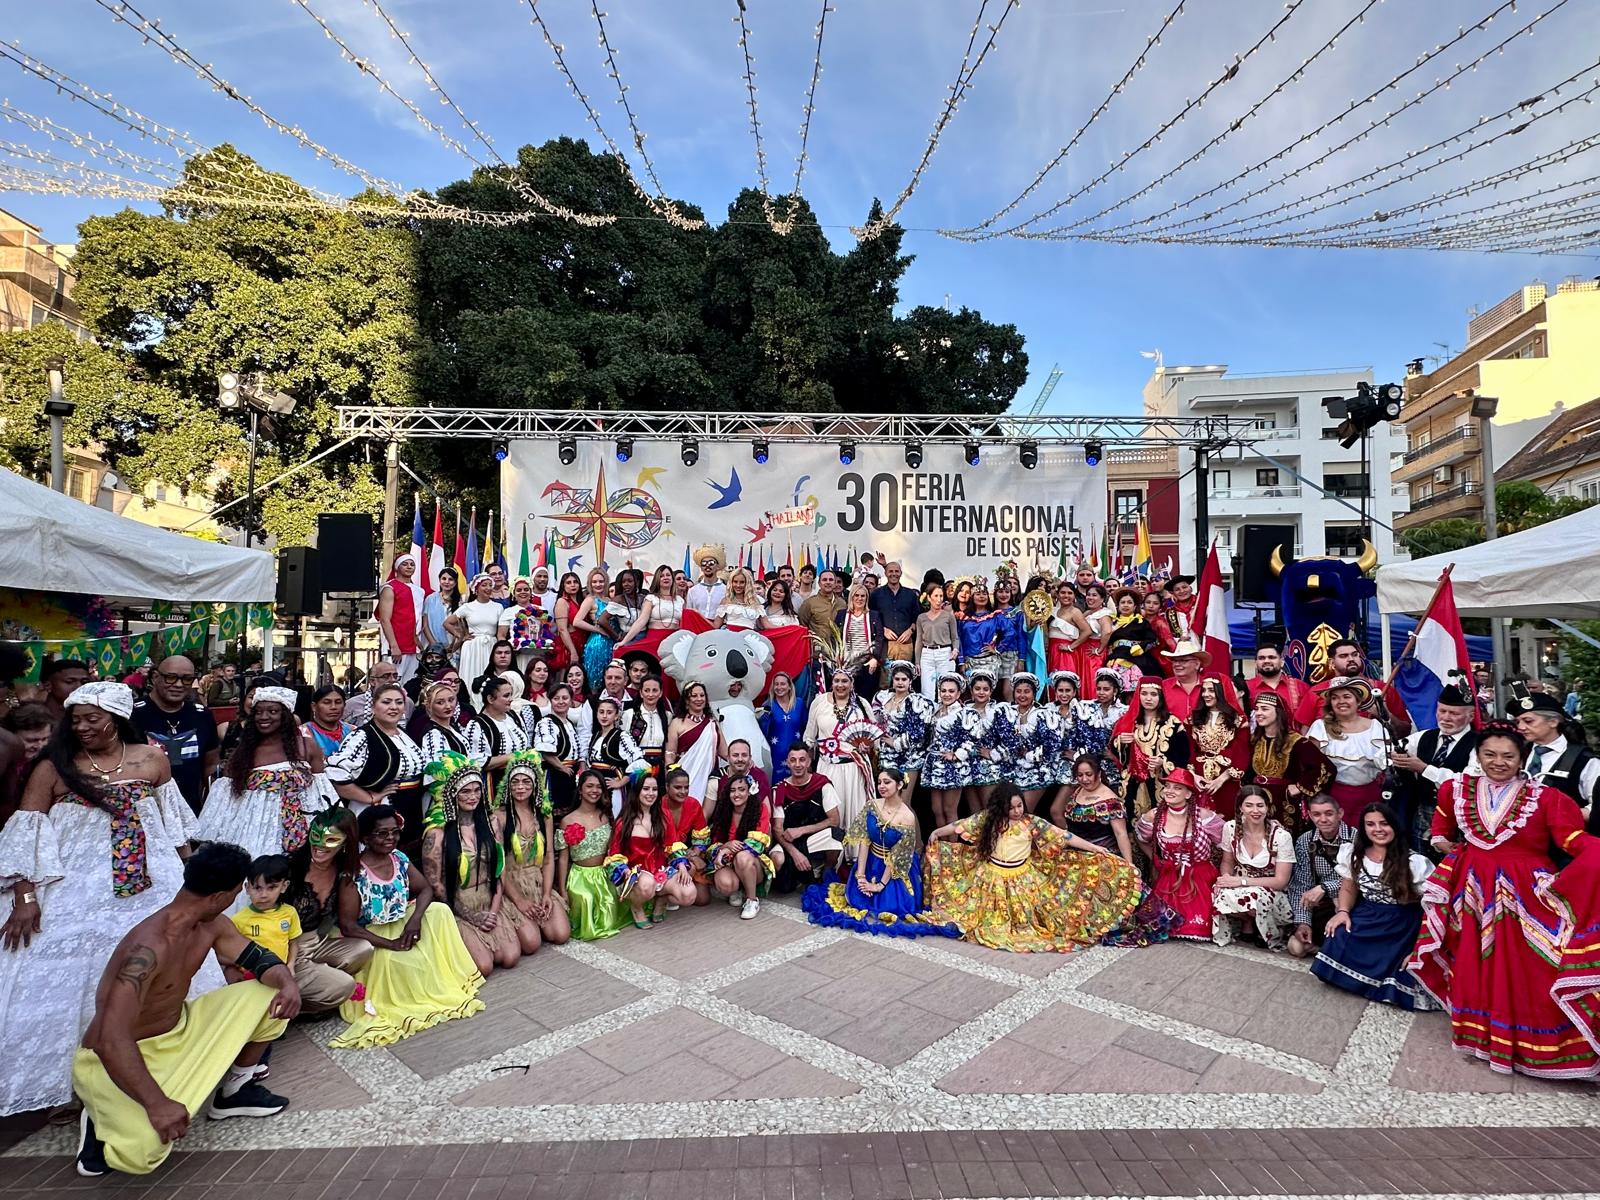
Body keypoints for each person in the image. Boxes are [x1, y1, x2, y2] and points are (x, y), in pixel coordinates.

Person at [0, 681, 216, 1118]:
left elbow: (173, 828)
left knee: (151, 970)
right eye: (75, 719)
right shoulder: (53, 768)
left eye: (91, 718)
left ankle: (156, 1067)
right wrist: (24, 897)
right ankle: (71, 1080)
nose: (81, 727)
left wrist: (192, 882)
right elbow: (27, 837)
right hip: (74, 895)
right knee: (67, 977)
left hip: (150, 889)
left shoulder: (153, 759)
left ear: (116, 720)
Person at [71, 843, 299, 1179]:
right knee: (143, 1153)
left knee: (272, 997)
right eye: (237, 892)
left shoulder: (212, 924)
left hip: (181, 1031)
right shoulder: (147, 948)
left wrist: (288, 982)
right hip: (117, 1055)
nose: (237, 898)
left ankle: (235, 1091)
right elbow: (109, 1039)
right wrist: (157, 1105)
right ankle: (97, 1115)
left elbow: (258, 959)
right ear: (220, 896)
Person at [1409, 723, 1598, 1079]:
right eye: (1490, 755)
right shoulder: (1455, 789)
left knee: (1534, 966)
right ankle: (1484, 1035)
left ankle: (1542, 1045)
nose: (1499, 762)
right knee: (1476, 963)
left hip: (1526, 895)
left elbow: (1572, 839)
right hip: (1471, 891)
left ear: (1523, 757)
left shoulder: (1546, 798)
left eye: (1509, 756)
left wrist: (1595, 852)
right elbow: (1442, 824)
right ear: (1477, 756)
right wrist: (1441, 842)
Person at [330, 803, 484, 1049]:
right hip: (371, 934)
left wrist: (414, 922)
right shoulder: (354, 873)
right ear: (366, 837)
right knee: (398, 963)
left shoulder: (399, 859)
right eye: (382, 833)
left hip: (402, 921)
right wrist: (390, 944)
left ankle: (442, 972)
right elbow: (349, 926)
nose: (390, 838)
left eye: (394, 832)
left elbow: (424, 889)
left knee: (440, 911)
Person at [926, 782, 1142, 952]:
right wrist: (937, 832)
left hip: (1024, 877)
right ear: (1000, 807)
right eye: (1011, 807)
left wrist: (1094, 848)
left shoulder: (1032, 823)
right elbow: (960, 824)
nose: (1017, 811)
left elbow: (1064, 836)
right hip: (990, 875)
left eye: (1019, 805)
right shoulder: (988, 820)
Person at [803, 767, 959, 938]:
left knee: (891, 908)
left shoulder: (907, 817)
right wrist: (861, 875)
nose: (882, 786)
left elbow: (898, 857)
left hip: (893, 869)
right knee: (855, 898)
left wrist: (879, 885)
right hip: (870, 862)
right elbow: (864, 840)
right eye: (879, 782)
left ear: (899, 785)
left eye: (887, 782)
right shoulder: (872, 805)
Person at [1312, 802, 1437, 1009]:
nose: (1377, 829)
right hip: (1369, 912)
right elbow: (1348, 887)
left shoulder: (1414, 862)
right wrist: (1343, 912)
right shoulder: (1354, 853)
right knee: (1339, 935)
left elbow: (1432, 907)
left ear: (1395, 826)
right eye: (1370, 824)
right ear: (1364, 828)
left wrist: (1420, 946)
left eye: (1384, 823)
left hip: (1402, 922)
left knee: (1399, 966)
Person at [197, 685, 332, 872]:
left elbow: (322, 793)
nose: (264, 717)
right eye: (258, 712)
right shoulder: (244, 751)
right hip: (253, 831)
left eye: (273, 711)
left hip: (301, 827)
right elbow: (226, 800)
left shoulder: (307, 746)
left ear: (285, 715)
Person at [420, 753, 531, 978]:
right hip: (459, 905)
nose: (473, 797)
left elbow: (499, 871)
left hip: (489, 900)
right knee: (484, 967)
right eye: (465, 791)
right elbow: (437, 886)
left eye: (476, 790)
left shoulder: (491, 824)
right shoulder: (437, 834)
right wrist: (471, 916)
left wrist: (492, 910)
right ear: (453, 794)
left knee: (510, 958)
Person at [284, 807, 372, 1014]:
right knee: (343, 985)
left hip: (318, 942)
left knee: (363, 949)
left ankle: (316, 986)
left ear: (345, 842)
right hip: (287, 948)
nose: (320, 845)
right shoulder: (291, 867)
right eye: (316, 836)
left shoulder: (343, 869)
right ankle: (290, 1010)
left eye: (331, 839)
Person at [325, 683, 428, 852]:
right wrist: (369, 797)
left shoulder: (403, 734)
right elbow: (335, 775)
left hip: (410, 809)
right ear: (373, 706)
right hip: (378, 811)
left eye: (399, 702)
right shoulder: (362, 736)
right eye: (386, 702)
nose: (394, 707)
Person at [1388, 682, 1481, 853]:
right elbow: (1383, 754)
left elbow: (1469, 782)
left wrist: (1424, 769)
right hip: (1423, 815)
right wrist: (1394, 757)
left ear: (1471, 715)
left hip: (1460, 820)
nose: (1445, 718)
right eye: (1442, 711)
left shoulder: (1480, 744)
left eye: (1454, 713)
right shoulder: (1424, 736)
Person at [1135, 768, 1225, 941]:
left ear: (1188, 794)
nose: (1169, 791)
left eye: (1177, 788)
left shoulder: (1203, 816)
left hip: (1200, 878)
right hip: (1169, 878)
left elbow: (1227, 843)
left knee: (1196, 926)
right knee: (1158, 925)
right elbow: (1140, 838)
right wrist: (1157, 860)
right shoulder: (1154, 816)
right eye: (1167, 786)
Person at [495, 749, 570, 946]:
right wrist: (519, 900)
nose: (521, 787)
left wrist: (546, 894)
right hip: (512, 884)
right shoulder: (499, 817)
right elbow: (499, 866)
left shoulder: (544, 814)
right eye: (515, 782)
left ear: (535, 784)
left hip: (538, 881)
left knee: (560, 935)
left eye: (526, 781)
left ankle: (539, 918)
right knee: (531, 943)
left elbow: (548, 858)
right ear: (508, 785)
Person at [130, 656, 219, 815]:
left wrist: (213, 806)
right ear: (156, 677)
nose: (178, 685)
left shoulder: (202, 715)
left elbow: (211, 766)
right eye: (170, 678)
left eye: (186, 679)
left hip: (191, 811)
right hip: (143, 812)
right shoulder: (132, 715)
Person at [605, 774, 697, 928]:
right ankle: (636, 907)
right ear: (637, 791)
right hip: (638, 876)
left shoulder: (663, 816)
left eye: (654, 789)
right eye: (646, 789)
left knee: (688, 894)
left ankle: (661, 898)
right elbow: (614, 854)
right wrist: (626, 872)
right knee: (647, 884)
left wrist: (681, 866)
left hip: (661, 872)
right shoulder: (624, 822)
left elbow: (673, 844)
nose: (651, 793)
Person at [1211, 786, 1296, 949]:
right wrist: (1226, 878)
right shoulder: (1230, 828)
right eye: (1249, 805)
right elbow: (1227, 862)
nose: (1255, 810)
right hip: (1239, 883)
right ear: (1240, 808)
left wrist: (1241, 882)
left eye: (1260, 805)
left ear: (1268, 808)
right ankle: (1248, 922)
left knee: (1255, 896)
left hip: (1271, 889)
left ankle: (1267, 929)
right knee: (1215, 893)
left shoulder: (1280, 836)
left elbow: (1281, 881)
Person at [1306, 677, 1391, 826]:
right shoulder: (1320, 727)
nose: (1341, 701)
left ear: (1358, 701)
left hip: (1370, 796)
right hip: (1332, 798)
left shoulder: (1376, 726)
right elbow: (1310, 766)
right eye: (1335, 698)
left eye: (1346, 696)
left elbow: (1387, 762)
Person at [1248, 692, 1333, 836]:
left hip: (1285, 802)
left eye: (1265, 708)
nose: (1258, 713)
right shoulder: (1255, 740)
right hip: (1258, 802)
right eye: (1257, 709)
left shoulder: (1297, 741)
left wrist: (1300, 787)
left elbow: (1325, 768)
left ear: (1278, 712)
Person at [804, 668, 876, 834]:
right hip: (826, 767)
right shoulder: (820, 702)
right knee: (830, 809)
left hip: (853, 768)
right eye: (837, 681)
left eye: (845, 681)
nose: (840, 685)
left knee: (854, 811)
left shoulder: (861, 704)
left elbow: (873, 737)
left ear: (851, 684)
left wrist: (867, 745)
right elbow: (809, 737)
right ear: (831, 682)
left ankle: (855, 854)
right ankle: (832, 854)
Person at [560, 770, 630, 939]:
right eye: (589, 786)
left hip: (604, 875)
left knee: (611, 905)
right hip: (580, 877)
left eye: (599, 787)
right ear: (580, 790)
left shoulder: (606, 816)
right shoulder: (567, 820)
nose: (594, 790)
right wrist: (562, 890)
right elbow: (563, 859)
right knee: (586, 898)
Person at [1286, 794, 1354, 959]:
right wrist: (1303, 922)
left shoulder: (1356, 838)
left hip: (1350, 902)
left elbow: (1359, 879)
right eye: (1317, 814)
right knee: (1296, 947)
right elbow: (1301, 885)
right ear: (1309, 815)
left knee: (1340, 906)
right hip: (1322, 907)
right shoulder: (1305, 841)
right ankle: (1326, 948)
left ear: (1340, 813)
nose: (1323, 819)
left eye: (1329, 813)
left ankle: (1336, 949)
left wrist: (1325, 887)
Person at [1511, 690, 1600, 816]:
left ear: (1553, 722)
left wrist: (1563, 817)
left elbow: (1596, 807)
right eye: (1518, 722)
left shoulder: (1585, 761)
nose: (1521, 727)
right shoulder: (1517, 753)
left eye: (1528, 721)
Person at [1114, 677, 1190, 821]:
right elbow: (1114, 751)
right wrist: (1121, 742)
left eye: (1153, 694)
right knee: (1131, 821)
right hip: (1132, 783)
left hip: (1161, 781)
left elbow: (1183, 754)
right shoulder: (1129, 720)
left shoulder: (1173, 723)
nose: (1148, 698)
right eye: (1144, 694)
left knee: (1162, 821)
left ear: (1161, 697)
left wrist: (1163, 762)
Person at [772, 743, 843, 892]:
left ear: (809, 762)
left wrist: (801, 830)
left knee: (836, 835)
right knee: (779, 864)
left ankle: (826, 872)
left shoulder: (822, 784)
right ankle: (798, 873)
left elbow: (834, 820)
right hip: (789, 842)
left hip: (813, 839)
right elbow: (777, 829)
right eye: (793, 760)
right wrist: (795, 853)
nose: (798, 764)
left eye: (802, 760)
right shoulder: (780, 789)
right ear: (788, 762)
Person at [706, 774, 774, 919]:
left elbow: (758, 844)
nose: (736, 794)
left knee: (743, 857)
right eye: (733, 790)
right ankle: (737, 889)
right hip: (729, 863)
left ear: (749, 791)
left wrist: (728, 850)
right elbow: (713, 843)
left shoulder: (760, 809)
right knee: (726, 884)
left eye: (742, 789)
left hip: (753, 864)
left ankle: (751, 900)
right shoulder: (723, 811)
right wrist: (724, 846)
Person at [1187, 677, 1249, 820]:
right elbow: (1190, 749)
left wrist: (1221, 779)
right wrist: (1193, 775)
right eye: (1203, 690)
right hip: (1198, 778)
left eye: (1211, 690)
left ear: (1222, 692)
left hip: (1226, 779)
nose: (1205, 694)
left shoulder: (1238, 720)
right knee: (1197, 819)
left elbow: (1242, 753)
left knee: (1226, 817)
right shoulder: (1193, 718)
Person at [997, 672, 1059, 814]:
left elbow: (1052, 744)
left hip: (1036, 770)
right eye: (1018, 692)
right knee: (1009, 813)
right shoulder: (1007, 713)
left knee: (1023, 813)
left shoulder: (1043, 714)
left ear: (1034, 693)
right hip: (1011, 770)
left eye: (1027, 692)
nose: (1022, 696)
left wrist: (1030, 755)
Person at [1055, 753, 1134, 864]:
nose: (1084, 779)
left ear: (1099, 774)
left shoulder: (1111, 802)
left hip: (1102, 859)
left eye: (1089, 774)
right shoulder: (1078, 791)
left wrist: (1129, 865)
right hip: (1074, 856)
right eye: (1080, 775)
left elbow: (1120, 834)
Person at [872, 662, 929, 797]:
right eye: (897, 679)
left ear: (910, 682)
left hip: (909, 757)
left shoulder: (916, 701)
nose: (900, 683)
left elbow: (918, 732)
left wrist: (896, 742)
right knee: (890, 799)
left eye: (904, 679)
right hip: (888, 756)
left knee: (904, 801)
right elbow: (875, 723)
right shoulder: (883, 698)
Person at [588, 696, 649, 816]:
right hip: (594, 786)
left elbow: (641, 764)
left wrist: (621, 782)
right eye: (601, 712)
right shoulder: (595, 735)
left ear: (616, 716)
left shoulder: (622, 736)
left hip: (612, 788)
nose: (604, 716)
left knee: (612, 819)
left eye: (609, 712)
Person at [446, 573, 506, 693]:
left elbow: (501, 631)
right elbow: (447, 623)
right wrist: (461, 636)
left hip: (490, 645)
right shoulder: (468, 607)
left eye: (490, 585)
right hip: (473, 646)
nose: (488, 588)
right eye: (484, 585)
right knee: (471, 674)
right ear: (476, 589)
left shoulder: (498, 607)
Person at [924, 674, 970, 830]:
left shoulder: (962, 713)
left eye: (951, 691)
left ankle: (952, 850)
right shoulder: (937, 710)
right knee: (937, 810)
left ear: (958, 694)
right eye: (943, 691)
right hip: (935, 764)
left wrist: (957, 755)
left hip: (953, 766)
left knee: (949, 810)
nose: (947, 694)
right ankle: (941, 848)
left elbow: (971, 739)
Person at [376, 553, 425, 684]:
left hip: (413, 646)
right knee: (392, 684)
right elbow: (385, 619)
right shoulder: (389, 588)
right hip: (397, 646)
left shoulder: (420, 591)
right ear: (397, 567)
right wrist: (393, 645)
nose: (409, 567)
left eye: (412, 564)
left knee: (410, 685)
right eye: (405, 564)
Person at [870, 560, 921, 684]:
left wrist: (911, 630)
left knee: (904, 678)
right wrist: (883, 629)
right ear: (886, 573)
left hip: (906, 643)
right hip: (886, 644)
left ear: (901, 573)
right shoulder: (876, 594)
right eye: (890, 571)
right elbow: (871, 617)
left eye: (896, 571)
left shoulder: (911, 595)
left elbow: (917, 617)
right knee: (886, 679)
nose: (894, 574)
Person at [1246, 643, 1311, 731]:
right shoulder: (1247, 687)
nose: (1266, 661)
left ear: (1282, 662)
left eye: (1272, 657)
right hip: (1258, 743)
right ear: (1256, 663)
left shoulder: (1300, 687)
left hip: (1294, 741)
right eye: (1261, 658)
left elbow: (1309, 719)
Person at [1103, 589, 1164, 680]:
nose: (1126, 605)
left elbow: (1152, 640)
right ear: (1118, 606)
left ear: (1135, 606)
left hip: (1135, 658)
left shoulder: (1141, 621)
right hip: (1114, 658)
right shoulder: (1112, 622)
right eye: (1123, 602)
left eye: (1129, 602)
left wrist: (1141, 647)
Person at [498, 577, 555, 673]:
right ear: (514, 594)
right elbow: (501, 636)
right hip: (518, 655)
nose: (523, 592)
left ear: (531, 592)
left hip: (538, 654)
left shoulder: (541, 610)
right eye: (519, 590)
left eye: (526, 589)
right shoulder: (508, 611)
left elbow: (546, 632)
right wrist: (510, 651)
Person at [913, 582, 960, 700]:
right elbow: (919, 640)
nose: (939, 599)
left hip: (944, 652)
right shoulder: (921, 618)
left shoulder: (948, 616)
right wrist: (917, 661)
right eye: (936, 596)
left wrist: (955, 649)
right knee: (926, 689)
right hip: (927, 653)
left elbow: (955, 636)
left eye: (941, 596)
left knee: (944, 688)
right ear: (929, 597)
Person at [759, 671, 807, 784]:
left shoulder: (799, 704)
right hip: (775, 755)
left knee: (797, 786)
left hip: (796, 755)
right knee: (777, 787)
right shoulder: (767, 705)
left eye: (782, 684)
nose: (779, 687)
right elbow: (762, 733)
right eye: (776, 684)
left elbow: (806, 729)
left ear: (789, 686)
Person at [342, 660, 413, 729]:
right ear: (372, 681)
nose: (392, 680)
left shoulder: (407, 703)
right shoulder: (353, 704)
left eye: (395, 676)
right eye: (386, 676)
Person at [1046, 581, 1093, 676]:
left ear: (1074, 596)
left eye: (1070, 593)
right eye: (1063, 592)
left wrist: (1070, 647)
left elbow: (1087, 631)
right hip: (1052, 651)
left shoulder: (1075, 612)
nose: (1066, 595)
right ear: (1058, 595)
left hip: (1065, 653)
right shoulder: (1053, 611)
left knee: (1065, 680)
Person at [421, 566, 463, 659]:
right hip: (433, 646)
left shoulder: (462, 601)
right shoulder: (430, 599)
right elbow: (425, 625)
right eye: (444, 579)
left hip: (455, 647)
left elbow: (462, 627)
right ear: (439, 580)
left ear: (455, 582)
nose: (447, 582)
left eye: (450, 579)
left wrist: (453, 646)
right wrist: (434, 645)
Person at [304, 685, 354, 759]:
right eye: (327, 702)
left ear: (344, 705)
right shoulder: (303, 733)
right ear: (314, 706)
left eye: (338, 702)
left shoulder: (353, 731)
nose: (333, 707)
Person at [40, 658, 92, 723]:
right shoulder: (34, 718)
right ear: (48, 685)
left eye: (84, 682)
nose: (79, 687)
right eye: (69, 682)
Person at [685, 546, 728, 621]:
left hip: (719, 631)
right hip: (697, 629)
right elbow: (689, 615)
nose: (707, 565)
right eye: (704, 563)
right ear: (701, 568)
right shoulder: (692, 591)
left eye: (711, 563)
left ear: (717, 566)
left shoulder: (726, 590)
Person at [714, 567, 764, 631]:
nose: (738, 585)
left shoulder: (756, 601)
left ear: (747, 583)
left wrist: (781, 629)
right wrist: (697, 615)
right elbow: (715, 626)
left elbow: (766, 625)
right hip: (729, 637)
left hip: (748, 638)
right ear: (731, 583)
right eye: (735, 581)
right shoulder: (726, 600)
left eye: (742, 582)